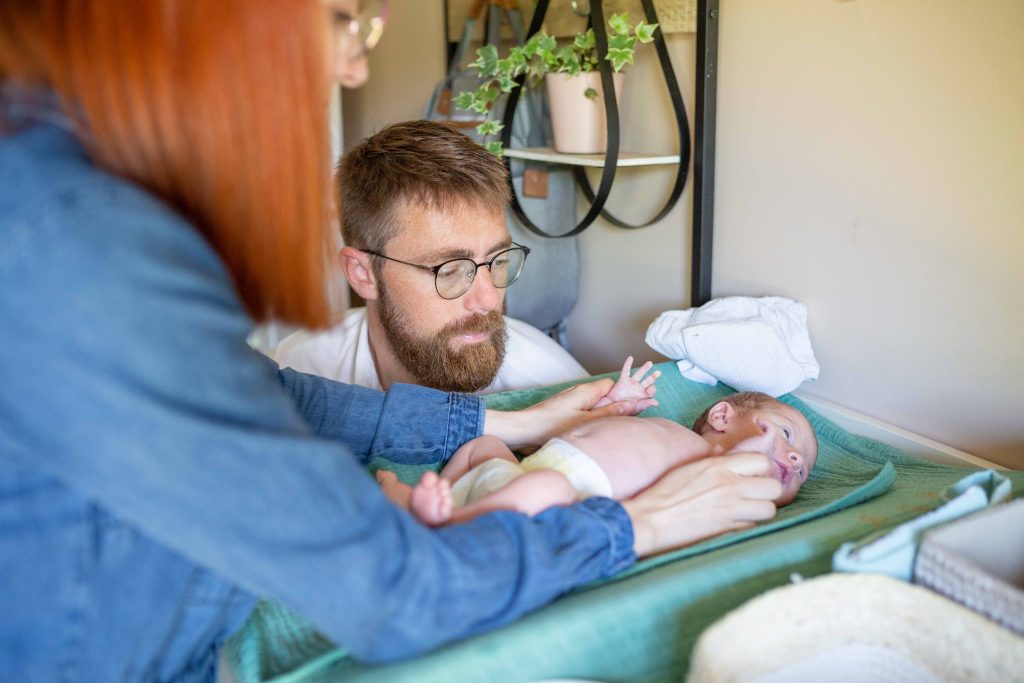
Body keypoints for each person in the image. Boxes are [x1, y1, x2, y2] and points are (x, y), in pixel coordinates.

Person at [0, 2, 784, 681]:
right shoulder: (78, 254)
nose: (350, 68)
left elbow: (267, 395)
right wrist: (641, 523)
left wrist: (504, 425)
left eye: (496, 262)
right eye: (343, 21)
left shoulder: (68, 209)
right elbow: (391, 588)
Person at [271, 119, 588, 393]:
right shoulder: (294, 375)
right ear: (362, 273)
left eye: (498, 261)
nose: (489, 300)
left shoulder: (549, 384)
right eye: (450, 270)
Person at [379, 359, 818, 526]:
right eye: (783, 434)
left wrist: (761, 452)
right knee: (485, 443)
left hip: (553, 507)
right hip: (517, 475)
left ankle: (446, 523)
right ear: (722, 416)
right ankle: (445, 497)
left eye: (800, 470)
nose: (794, 460)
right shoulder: (673, 433)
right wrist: (614, 406)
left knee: (547, 485)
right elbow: (569, 433)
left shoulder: (714, 480)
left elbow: (735, 474)